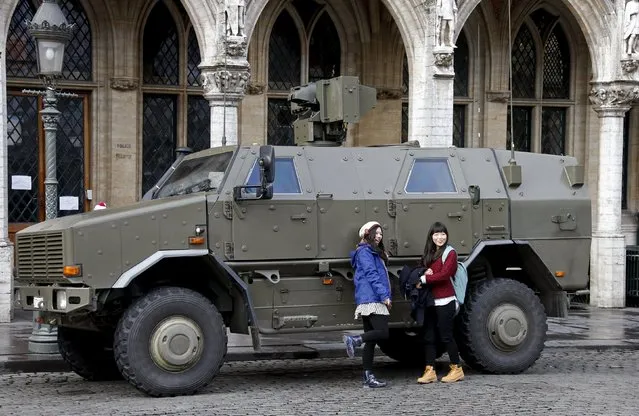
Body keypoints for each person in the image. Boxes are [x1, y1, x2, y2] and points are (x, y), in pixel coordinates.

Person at [343, 221, 392, 388]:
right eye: (375, 233)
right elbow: (372, 275)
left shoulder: (371, 252)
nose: (378, 236)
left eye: (380, 234)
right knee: (383, 333)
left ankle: (368, 377)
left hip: (368, 298)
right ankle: (355, 339)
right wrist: (384, 296)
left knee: (371, 342)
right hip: (373, 299)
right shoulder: (365, 252)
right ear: (366, 234)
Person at [416, 221, 464, 384]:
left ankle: (456, 369)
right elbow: (421, 268)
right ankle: (430, 370)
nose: (440, 237)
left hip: (446, 300)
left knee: (446, 335)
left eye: (442, 234)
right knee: (429, 336)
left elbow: (445, 275)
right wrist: (423, 271)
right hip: (430, 301)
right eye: (436, 234)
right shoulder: (429, 252)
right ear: (431, 236)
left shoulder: (450, 253)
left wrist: (425, 278)